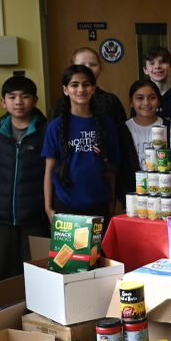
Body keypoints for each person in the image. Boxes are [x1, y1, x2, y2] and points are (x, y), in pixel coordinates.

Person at [0, 75, 48, 280]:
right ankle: (8, 312)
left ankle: (35, 312)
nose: (18, 102)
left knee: (37, 273)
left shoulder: (45, 132)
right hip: (1, 217)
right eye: (12, 97)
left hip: (35, 218)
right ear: (3, 102)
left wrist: (45, 205)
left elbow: (53, 172)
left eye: (25, 96)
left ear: (34, 100)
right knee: (4, 272)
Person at [42, 65, 121, 224]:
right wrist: (48, 207)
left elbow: (112, 169)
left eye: (86, 84)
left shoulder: (106, 124)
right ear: (66, 90)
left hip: (99, 204)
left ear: (93, 89)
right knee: (69, 250)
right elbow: (49, 170)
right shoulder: (55, 127)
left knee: (97, 250)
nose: (81, 89)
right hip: (66, 204)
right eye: (74, 85)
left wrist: (112, 201)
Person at [72, 47, 137, 197]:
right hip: (73, 177)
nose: (88, 68)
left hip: (105, 174)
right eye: (82, 65)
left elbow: (121, 139)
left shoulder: (110, 100)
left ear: (100, 68)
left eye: (93, 64)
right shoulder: (64, 103)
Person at [143, 47, 171, 129]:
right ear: (145, 70)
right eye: (152, 63)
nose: (157, 66)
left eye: (163, 62)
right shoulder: (140, 99)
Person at [126, 79, 165, 156]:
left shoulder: (170, 128)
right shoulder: (122, 130)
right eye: (140, 98)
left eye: (152, 98)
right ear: (131, 103)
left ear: (159, 101)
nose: (146, 103)